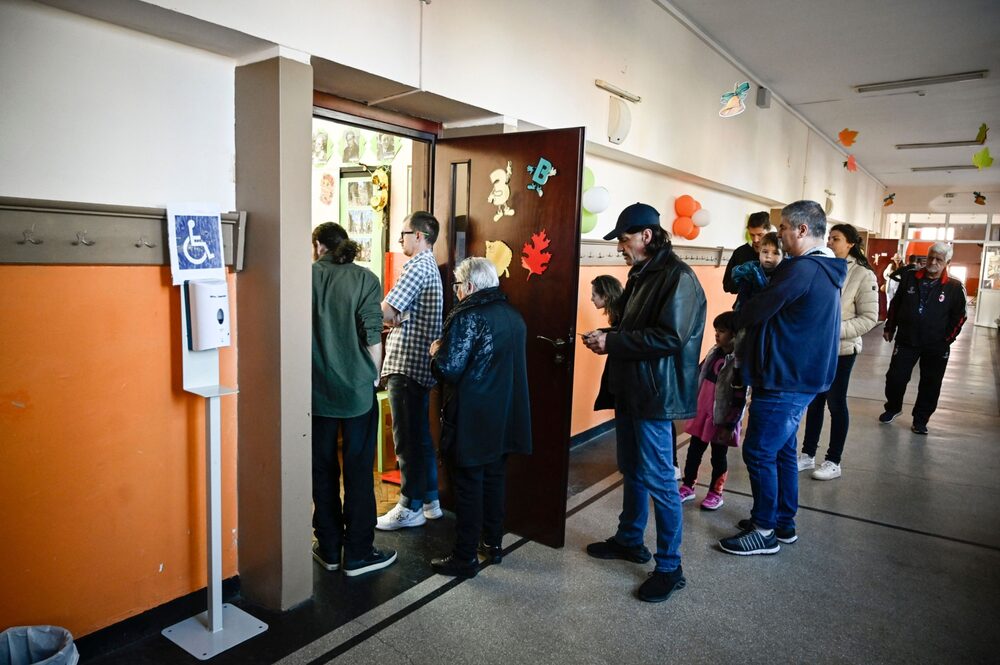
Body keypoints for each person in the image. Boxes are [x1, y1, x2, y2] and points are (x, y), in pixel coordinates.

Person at [581, 202, 706, 603]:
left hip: (655, 395)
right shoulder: (642, 274)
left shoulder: (678, 278)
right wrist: (608, 336)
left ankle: (671, 567)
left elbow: (670, 337)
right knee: (632, 469)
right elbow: (638, 329)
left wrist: (613, 341)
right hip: (633, 389)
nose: (620, 247)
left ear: (646, 236)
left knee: (658, 478)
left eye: (623, 239)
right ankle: (630, 539)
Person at [719, 200, 846, 556]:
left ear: (802, 230)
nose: (782, 235)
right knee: (783, 452)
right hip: (797, 374)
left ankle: (764, 530)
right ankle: (783, 522)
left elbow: (756, 310)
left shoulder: (803, 269)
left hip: (785, 378)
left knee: (759, 451)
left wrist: (741, 310)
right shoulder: (823, 268)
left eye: (785, 228)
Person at [427, 258, 531, 578]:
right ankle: (493, 544)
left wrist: (435, 351)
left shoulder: (468, 317)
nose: (456, 292)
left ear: (469, 287)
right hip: (504, 415)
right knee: (495, 479)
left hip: (473, 415)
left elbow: (449, 367)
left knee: (469, 485)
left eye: (457, 286)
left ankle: (464, 557)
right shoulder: (513, 315)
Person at [311, 223, 397, 576]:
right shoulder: (365, 279)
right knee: (359, 471)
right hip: (357, 392)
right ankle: (359, 553)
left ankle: (329, 548)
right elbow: (371, 332)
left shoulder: (306, 277)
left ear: (318, 246)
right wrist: (374, 373)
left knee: (322, 470)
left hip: (315, 392)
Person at [377, 212, 445, 530]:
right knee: (420, 438)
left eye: (403, 233)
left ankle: (409, 505)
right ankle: (430, 501)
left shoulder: (417, 266)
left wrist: (367, 310)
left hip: (407, 366)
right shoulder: (429, 265)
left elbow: (388, 311)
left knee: (406, 440)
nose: (400, 240)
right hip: (421, 366)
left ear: (418, 235)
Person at [798, 224, 878, 480]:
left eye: (836, 239)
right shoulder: (823, 267)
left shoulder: (863, 275)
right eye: (829, 238)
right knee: (815, 402)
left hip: (842, 349)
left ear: (851, 243)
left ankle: (833, 460)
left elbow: (869, 318)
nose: (830, 243)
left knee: (836, 402)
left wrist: (832, 330)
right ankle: (807, 454)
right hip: (817, 348)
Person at [880, 242, 967, 435]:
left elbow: (960, 316)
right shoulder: (910, 278)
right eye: (930, 257)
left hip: (936, 345)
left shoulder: (954, 287)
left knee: (930, 383)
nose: (933, 262)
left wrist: (947, 340)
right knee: (895, 377)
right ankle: (893, 408)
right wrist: (889, 326)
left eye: (939, 259)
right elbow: (896, 304)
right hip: (907, 340)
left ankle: (920, 419)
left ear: (947, 262)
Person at [678, 311, 746, 511]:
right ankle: (688, 485)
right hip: (702, 414)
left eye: (722, 331)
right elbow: (699, 374)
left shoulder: (738, 362)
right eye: (716, 330)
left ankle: (716, 493)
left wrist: (730, 424)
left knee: (718, 456)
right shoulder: (713, 353)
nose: (717, 335)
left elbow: (739, 398)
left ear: (735, 335)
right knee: (694, 451)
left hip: (721, 419)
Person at [722, 211, 772, 295]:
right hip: (745, 305)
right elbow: (727, 286)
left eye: (760, 235)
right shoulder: (740, 252)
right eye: (752, 235)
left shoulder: (779, 253)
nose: (755, 239)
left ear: (769, 231)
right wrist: (741, 280)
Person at [731, 231, 783, 311]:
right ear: (759, 252)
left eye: (775, 253)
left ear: (783, 256)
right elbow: (742, 301)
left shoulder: (785, 275)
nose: (768, 256)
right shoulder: (749, 272)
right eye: (765, 252)